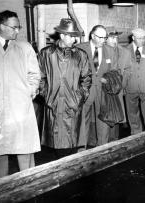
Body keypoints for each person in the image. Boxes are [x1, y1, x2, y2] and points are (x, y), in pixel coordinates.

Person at [0, 10, 41, 179]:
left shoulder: (25, 47)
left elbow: (35, 75)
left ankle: (30, 188)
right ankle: (1, 192)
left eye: (18, 27)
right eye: (15, 27)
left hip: (21, 110)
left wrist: (29, 91)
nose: (18, 31)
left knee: (25, 154)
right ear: (2, 26)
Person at [38, 18, 92, 158]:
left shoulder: (81, 55)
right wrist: (47, 95)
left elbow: (86, 79)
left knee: (71, 144)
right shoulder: (46, 54)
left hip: (72, 106)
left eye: (75, 36)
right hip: (53, 106)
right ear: (62, 35)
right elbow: (40, 77)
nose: (75, 40)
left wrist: (78, 98)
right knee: (57, 147)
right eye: (72, 36)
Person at [76, 25, 119, 148]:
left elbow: (115, 71)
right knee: (83, 121)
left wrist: (109, 79)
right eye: (100, 37)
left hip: (103, 91)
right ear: (92, 36)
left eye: (104, 38)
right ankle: (81, 150)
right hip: (85, 91)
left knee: (103, 121)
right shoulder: (80, 49)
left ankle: (102, 148)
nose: (102, 41)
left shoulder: (110, 50)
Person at [105, 26, 131, 134]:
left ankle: (114, 140)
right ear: (105, 38)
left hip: (118, 89)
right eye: (111, 38)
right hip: (105, 90)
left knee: (117, 117)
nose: (115, 40)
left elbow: (128, 70)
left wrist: (122, 84)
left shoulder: (125, 52)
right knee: (106, 117)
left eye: (116, 37)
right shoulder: (101, 51)